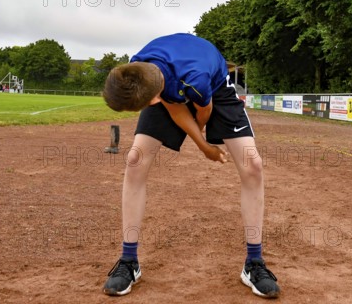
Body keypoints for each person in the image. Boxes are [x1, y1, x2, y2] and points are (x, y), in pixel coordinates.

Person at [101, 33, 280, 298]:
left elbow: (201, 112)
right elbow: (173, 108)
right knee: (135, 160)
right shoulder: (136, 68)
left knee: (252, 164)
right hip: (170, 83)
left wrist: (206, 140)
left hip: (213, 88)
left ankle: (254, 263)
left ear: (152, 100)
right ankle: (129, 260)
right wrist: (204, 146)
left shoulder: (195, 79)